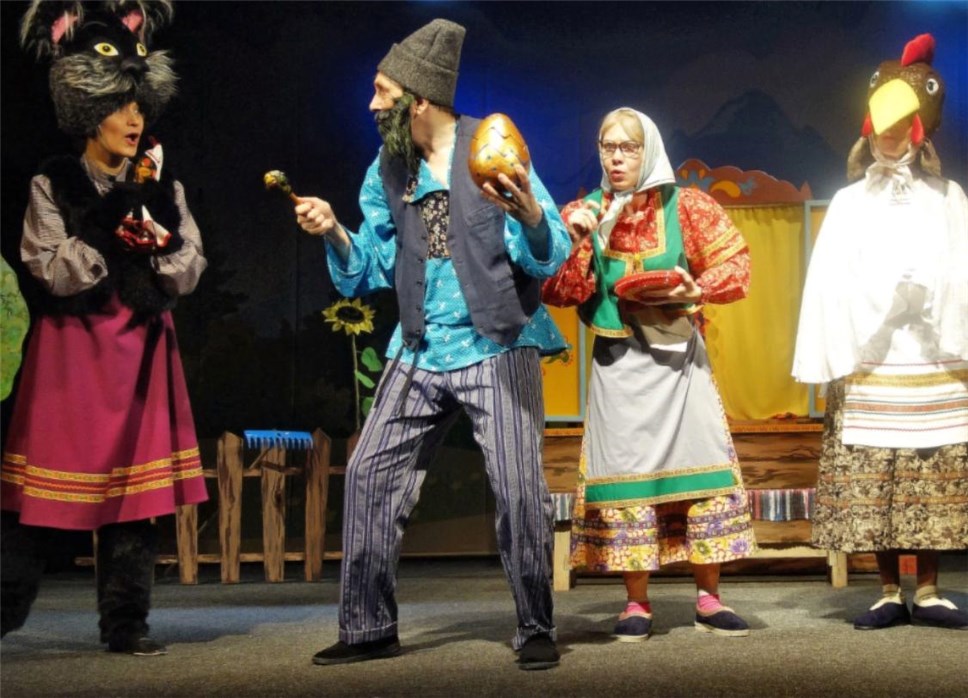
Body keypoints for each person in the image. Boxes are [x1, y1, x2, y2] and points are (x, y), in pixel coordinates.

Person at [293, 19, 570, 670]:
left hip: (495, 339)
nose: (372, 104)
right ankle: (368, 627)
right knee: (369, 474)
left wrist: (530, 215)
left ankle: (535, 625)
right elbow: (368, 265)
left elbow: (551, 249)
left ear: (418, 99)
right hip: (418, 345)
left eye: (382, 92)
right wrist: (333, 230)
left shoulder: (491, 145)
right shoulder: (389, 167)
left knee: (518, 486)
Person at [1, 1, 208, 655]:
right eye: (120, 105)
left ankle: (126, 625)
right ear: (89, 109)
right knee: (35, 504)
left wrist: (154, 239)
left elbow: (189, 266)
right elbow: (49, 266)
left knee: (135, 502)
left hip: (141, 353)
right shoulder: (54, 182)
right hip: (71, 356)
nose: (134, 119)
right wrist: (107, 222)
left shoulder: (164, 187)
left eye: (139, 106)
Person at [542, 107, 756, 641]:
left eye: (628, 147)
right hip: (620, 367)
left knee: (701, 470)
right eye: (608, 146)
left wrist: (697, 289)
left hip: (680, 362)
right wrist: (575, 242)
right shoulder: (584, 213)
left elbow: (737, 265)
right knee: (626, 480)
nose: (616, 157)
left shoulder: (686, 206)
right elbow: (558, 292)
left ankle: (709, 597)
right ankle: (636, 602)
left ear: (649, 150)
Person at [793, 34, 968, 631]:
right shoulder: (849, 203)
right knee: (877, 473)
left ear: (918, 130)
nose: (891, 138)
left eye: (901, 128)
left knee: (929, 474)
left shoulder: (947, 197)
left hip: (932, 354)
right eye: (882, 128)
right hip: (872, 357)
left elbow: (961, 267)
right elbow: (830, 280)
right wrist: (882, 296)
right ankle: (888, 588)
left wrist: (929, 287)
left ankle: (931, 588)